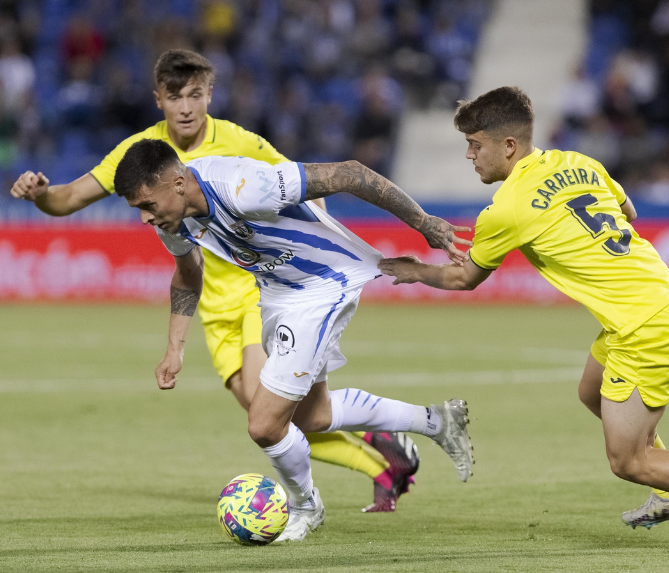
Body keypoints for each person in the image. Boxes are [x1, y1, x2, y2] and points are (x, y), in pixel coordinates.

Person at [9, 49, 418, 513]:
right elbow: (66, 201)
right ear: (158, 99)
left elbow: (306, 189)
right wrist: (41, 195)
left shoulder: (240, 142)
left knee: (269, 412)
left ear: (209, 95)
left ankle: (379, 466)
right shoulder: (140, 155)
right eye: (175, 96)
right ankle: (385, 450)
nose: (186, 107)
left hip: (256, 290)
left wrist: (311, 261)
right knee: (266, 411)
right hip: (211, 302)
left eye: (195, 95)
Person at [378, 86, 669, 550]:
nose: (469, 154)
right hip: (658, 297)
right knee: (592, 391)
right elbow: (626, 212)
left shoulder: (505, 209)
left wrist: (416, 271)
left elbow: (464, 278)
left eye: (475, 143)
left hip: (644, 322)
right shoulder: (578, 162)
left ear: (509, 146)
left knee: (628, 459)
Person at [113, 139, 475, 542]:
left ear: (177, 183)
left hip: (323, 285)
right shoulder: (173, 218)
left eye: (147, 205)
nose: (145, 218)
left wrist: (424, 223)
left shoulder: (243, 186)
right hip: (277, 294)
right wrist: (174, 348)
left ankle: (306, 507)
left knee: (265, 424)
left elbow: (351, 173)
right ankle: (437, 421)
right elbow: (188, 271)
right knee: (311, 417)